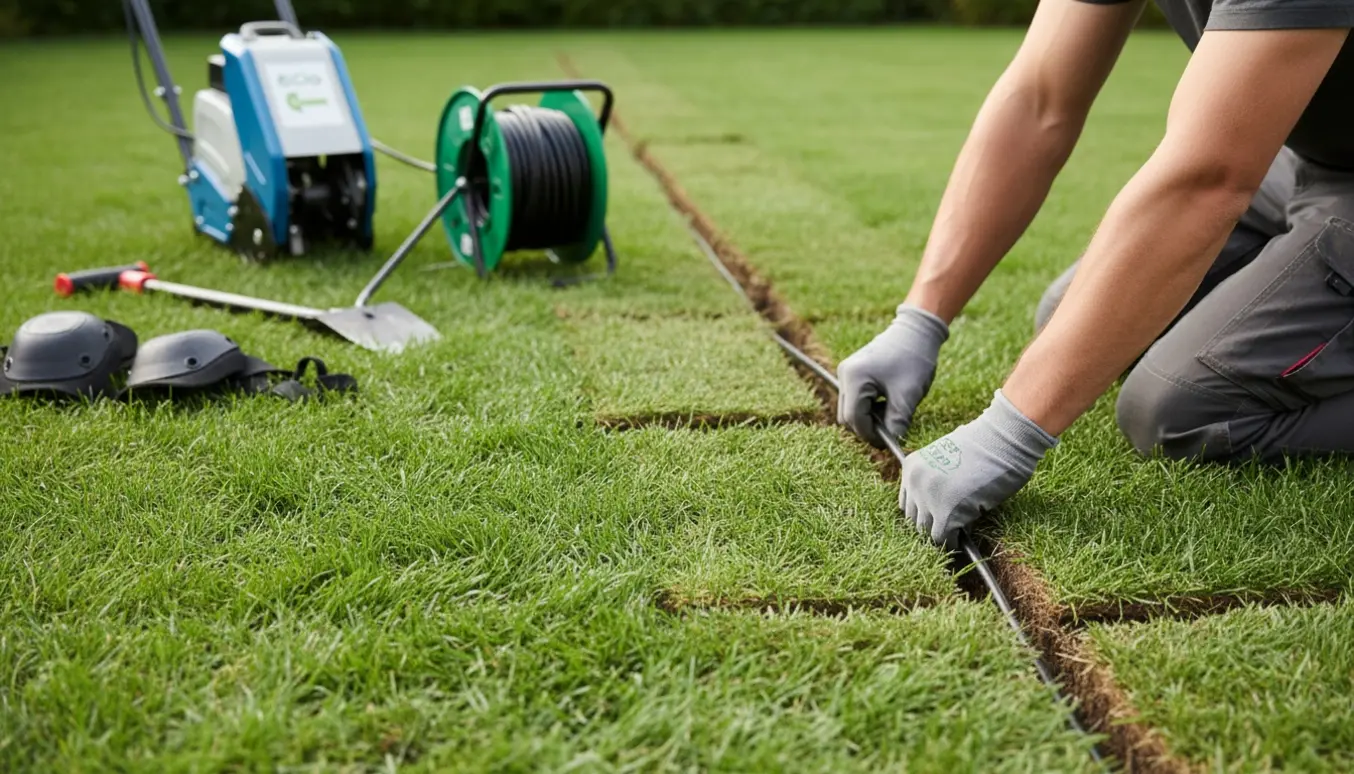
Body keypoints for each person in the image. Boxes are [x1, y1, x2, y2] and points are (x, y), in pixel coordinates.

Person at [836, 0, 1354, 547]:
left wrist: (1008, 434)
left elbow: (1209, 177)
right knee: (1067, 314)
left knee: (1179, 410)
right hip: (1301, 158)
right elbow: (1039, 99)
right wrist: (920, 321)